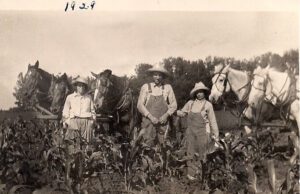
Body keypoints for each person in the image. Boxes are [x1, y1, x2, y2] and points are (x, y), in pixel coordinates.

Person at [177, 82, 219, 180]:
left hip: (202, 132)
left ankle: (201, 175)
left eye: (201, 92)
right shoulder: (190, 103)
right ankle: (191, 175)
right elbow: (183, 113)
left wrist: (216, 135)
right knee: (190, 151)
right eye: (197, 92)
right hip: (190, 131)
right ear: (195, 93)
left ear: (205, 93)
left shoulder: (208, 105)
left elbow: (213, 121)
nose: (199, 94)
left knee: (202, 152)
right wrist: (176, 112)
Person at [137, 63, 177, 147]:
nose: (157, 77)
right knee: (147, 146)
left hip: (163, 124)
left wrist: (166, 115)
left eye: (160, 75)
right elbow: (140, 105)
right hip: (148, 123)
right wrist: (151, 117)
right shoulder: (146, 87)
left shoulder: (167, 88)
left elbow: (174, 105)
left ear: (163, 77)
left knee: (163, 147)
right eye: (155, 75)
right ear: (152, 75)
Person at [62, 76, 96, 152]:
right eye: (79, 85)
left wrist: (92, 121)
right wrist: (68, 121)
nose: (81, 87)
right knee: (73, 145)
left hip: (86, 123)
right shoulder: (70, 97)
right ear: (76, 86)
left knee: (86, 146)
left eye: (83, 86)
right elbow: (65, 111)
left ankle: (86, 162)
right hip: (74, 122)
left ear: (85, 87)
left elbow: (93, 111)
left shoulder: (89, 98)